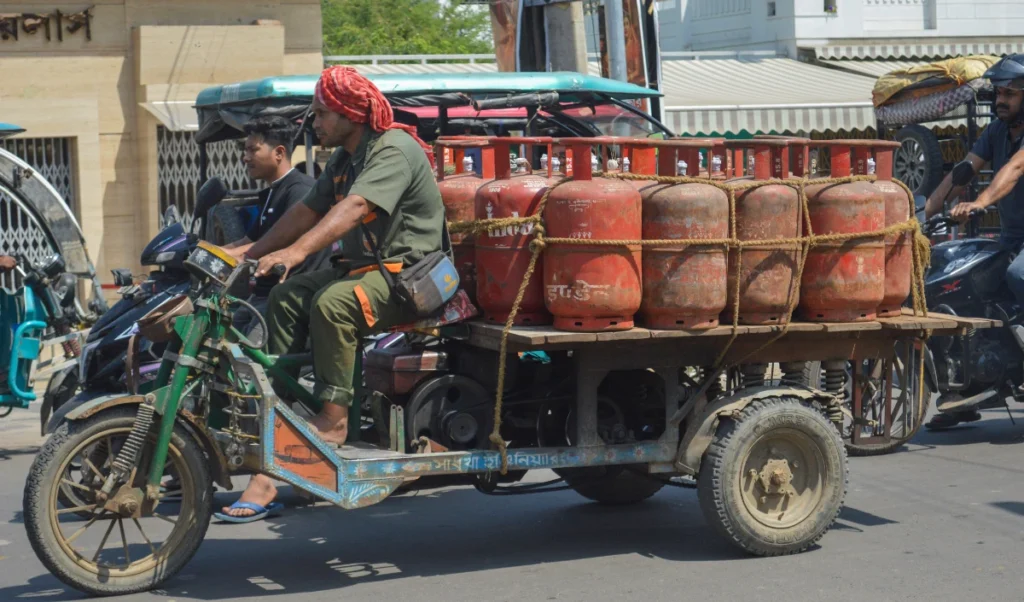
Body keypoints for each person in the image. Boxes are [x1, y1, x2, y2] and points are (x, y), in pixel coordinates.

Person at [215, 66, 443, 522]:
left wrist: (297, 252)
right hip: (367, 270)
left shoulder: (393, 149)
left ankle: (334, 421)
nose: (313, 123)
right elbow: (308, 210)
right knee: (287, 296)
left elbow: (356, 207)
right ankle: (290, 414)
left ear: (350, 114)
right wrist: (249, 253)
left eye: (321, 114)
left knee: (334, 304)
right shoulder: (344, 158)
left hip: (409, 276)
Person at [924, 54, 1024, 429]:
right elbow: (963, 171)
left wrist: (980, 202)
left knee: (1018, 275)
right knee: (966, 284)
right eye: (998, 93)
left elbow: (1014, 169)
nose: (1001, 100)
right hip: (1012, 236)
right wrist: (923, 214)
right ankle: (967, 391)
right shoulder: (996, 131)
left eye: (1009, 93)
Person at [222, 116, 318, 342]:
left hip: (286, 296)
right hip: (260, 294)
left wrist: (233, 256)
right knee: (221, 347)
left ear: (279, 153)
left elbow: (276, 242)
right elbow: (248, 241)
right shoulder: (273, 191)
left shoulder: (300, 190)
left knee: (251, 357)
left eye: (252, 150)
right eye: (245, 150)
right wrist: (207, 250)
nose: (245, 157)